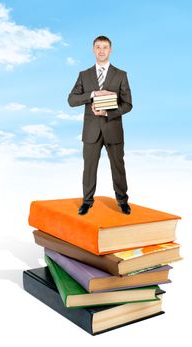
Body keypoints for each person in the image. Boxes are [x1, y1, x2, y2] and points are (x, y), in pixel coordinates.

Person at [68, 35, 132, 215]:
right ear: (93, 50)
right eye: (98, 47)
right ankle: (87, 202)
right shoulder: (84, 75)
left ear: (110, 50)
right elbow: (71, 100)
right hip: (91, 130)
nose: (101, 50)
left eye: (105, 47)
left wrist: (107, 112)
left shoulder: (121, 75)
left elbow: (128, 104)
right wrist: (92, 93)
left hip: (113, 128)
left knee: (118, 167)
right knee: (89, 168)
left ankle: (122, 201)